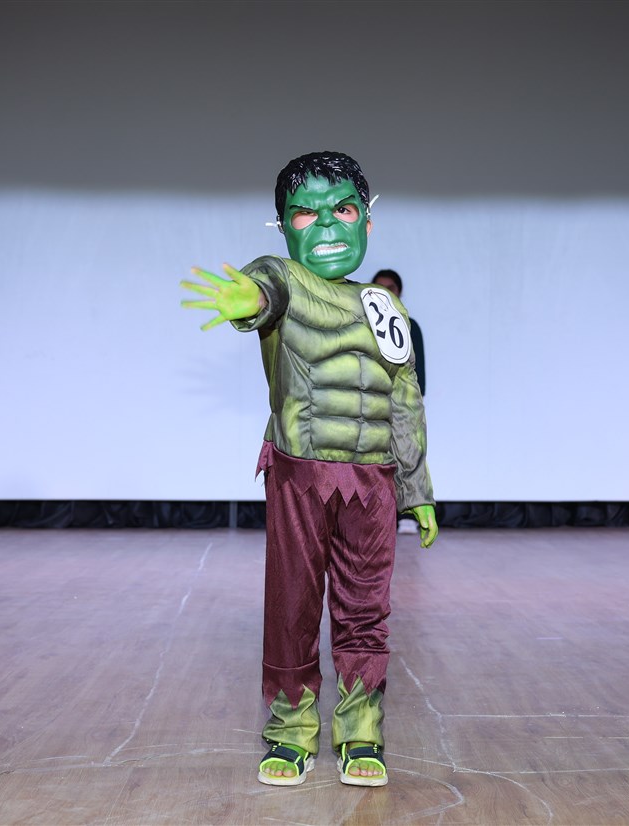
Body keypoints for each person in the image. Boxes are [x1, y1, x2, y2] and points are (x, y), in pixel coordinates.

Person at [181, 151, 437, 788]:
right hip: (301, 474)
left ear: (367, 222)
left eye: (342, 209)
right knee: (292, 606)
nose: (326, 224)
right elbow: (262, 291)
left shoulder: (386, 310)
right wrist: (247, 300)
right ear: (284, 226)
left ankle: (361, 730)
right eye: (305, 213)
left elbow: (404, 402)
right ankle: (291, 729)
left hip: (374, 481)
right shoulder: (284, 279)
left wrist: (418, 490)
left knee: (366, 608)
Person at [371, 269, 426, 535]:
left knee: (405, 456)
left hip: (400, 403)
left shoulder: (409, 325)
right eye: (379, 286)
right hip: (369, 402)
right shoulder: (362, 322)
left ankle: (407, 514)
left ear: (399, 291)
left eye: (390, 287)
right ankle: (376, 517)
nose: (385, 292)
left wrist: (414, 405)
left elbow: (418, 372)